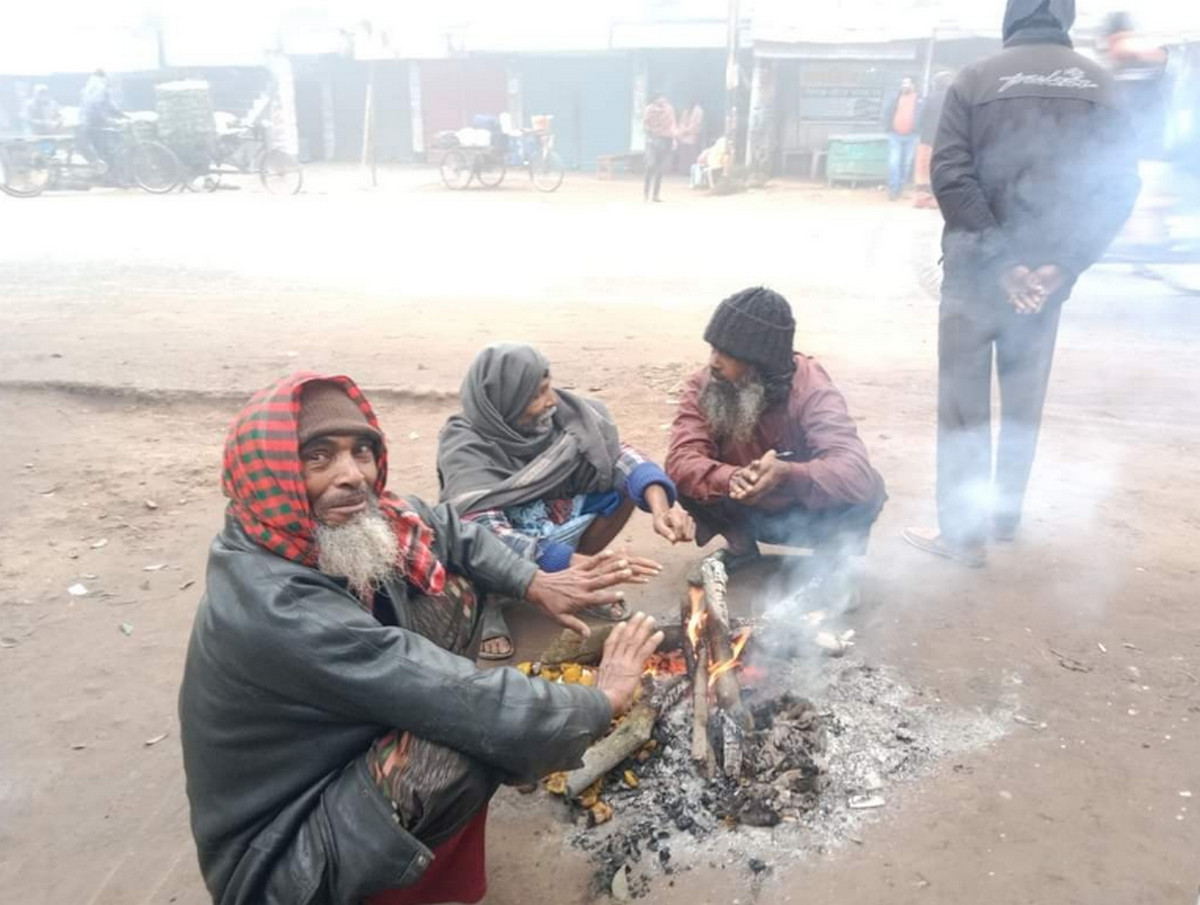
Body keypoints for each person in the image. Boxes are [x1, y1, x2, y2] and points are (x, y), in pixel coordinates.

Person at [179, 373, 664, 905]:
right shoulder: (281, 606)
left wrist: (534, 582)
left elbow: (449, 529)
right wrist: (602, 700)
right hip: (281, 858)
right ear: (268, 473)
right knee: (468, 740)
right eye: (317, 457)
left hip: (334, 752)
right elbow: (465, 702)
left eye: (361, 451)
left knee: (452, 593)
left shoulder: (320, 526)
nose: (352, 476)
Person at [902, 0, 1140, 568]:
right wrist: (1062, 264)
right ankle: (1004, 517)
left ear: (1012, 15)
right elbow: (1117, 187)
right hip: (1044, 283)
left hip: (975, 274)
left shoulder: (975, 79)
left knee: (963, 405)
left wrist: (1001, 259)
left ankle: (963, 536)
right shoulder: (1100, 87)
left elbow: (949, 174)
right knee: (1022, 402)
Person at [438, 343, 695, 659]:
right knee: (467, 536)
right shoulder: (464, 446)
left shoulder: (566, 416)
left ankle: (575, 584)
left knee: (624, 486)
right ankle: (489, 604)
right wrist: (566, 560)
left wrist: (661, 507)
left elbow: (618, 457)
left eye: (548, 387)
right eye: (537, 395)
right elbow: (482, 531)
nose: (552, 400)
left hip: (550, 520)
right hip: (502, 538)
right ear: (507, 401)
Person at [666, 287, 887, 584]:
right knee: (684, 478)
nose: (714, 362)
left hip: (804, 513)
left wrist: (787, 473)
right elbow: (682, 458)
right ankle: (741, 549)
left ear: (761, 362)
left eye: (727, 354)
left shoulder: (812, 389)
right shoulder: (704, 384)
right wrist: (731, 477)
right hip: (741, 504)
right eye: (713, 349)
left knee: (867, 488)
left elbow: (854, 471)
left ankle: (829, 564)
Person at [913, 71, 953, 209]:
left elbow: (920, 117)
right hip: (946, 139)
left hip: (927, 138)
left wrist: (918, 130)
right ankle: (937, 200)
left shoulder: (929, 98)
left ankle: (921, 199)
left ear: (936, 84)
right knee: (941, 168)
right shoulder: (955, 99)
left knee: (923, 169)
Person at [883, 76, 922, 200]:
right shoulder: (896, 98)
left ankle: (900, 188)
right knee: (894, 162)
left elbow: (923, 116)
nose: (905, 86)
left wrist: (918, 129)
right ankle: (893, 189)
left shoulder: (920, 100)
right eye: (903, 83)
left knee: (906, 164)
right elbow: (887, 112)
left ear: (914, 85)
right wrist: (888, 128)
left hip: (912, 136)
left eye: (907, 83)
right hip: (895, 135)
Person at [78, 69, 124, 167]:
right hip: (95, 121)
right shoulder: (101, 86)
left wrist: (117, 113)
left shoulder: (89, 86)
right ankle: (105, 168)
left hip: (86, 121)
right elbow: (100, 104)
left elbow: (107, 104)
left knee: (98, 147)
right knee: (106, 145)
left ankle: (100, 166)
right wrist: (112, 117)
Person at [642, 93, 676, 203]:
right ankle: (646, 192)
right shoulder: (649, 110)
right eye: (661, 98)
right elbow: (645, 124)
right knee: (650, 165)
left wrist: (673, 137)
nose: (663, 100)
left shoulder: (669, 109)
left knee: (660, 168)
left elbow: (672, 125)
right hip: (652, 140)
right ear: (655, 99)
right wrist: (651, 133)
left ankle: (655, 195)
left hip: (666, 140)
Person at [675, 101, 705, 174]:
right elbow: (682, 122)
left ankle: (691, 171)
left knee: (691, 155)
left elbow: (697, 124)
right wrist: (682, 131)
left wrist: (687, 131)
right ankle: (683, 171)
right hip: (683, 136)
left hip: (693, 135)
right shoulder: (686, 111)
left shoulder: (698, 111)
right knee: (683, 155)